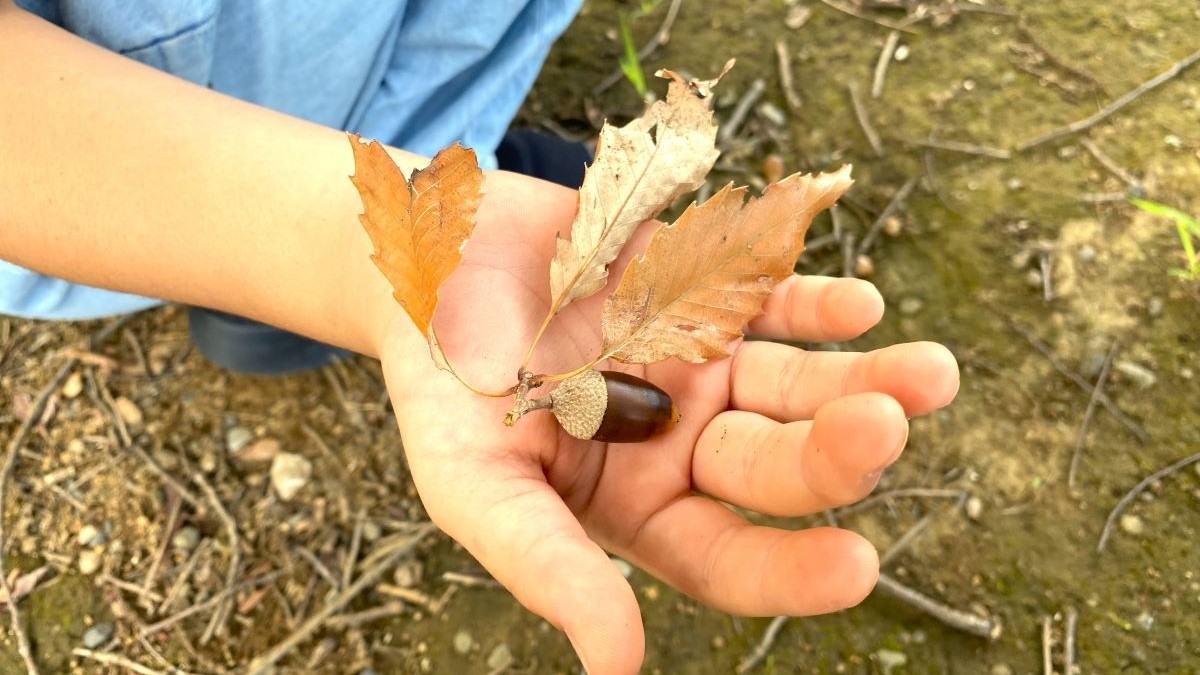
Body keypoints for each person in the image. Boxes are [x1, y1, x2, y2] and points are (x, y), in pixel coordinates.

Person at [0, 3, 960, 674]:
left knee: (445, 136)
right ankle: (260, 296)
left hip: (414, 63)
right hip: (110, 154)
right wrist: (331, 256)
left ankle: (327, 259)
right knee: (284, 243)